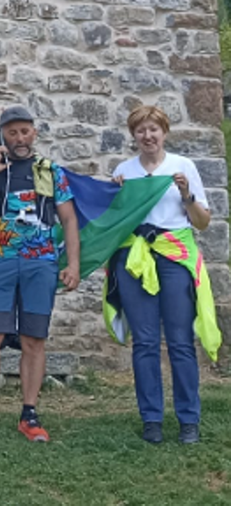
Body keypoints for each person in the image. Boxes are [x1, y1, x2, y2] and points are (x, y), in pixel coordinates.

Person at [0, 105, 80, 443]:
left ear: (34, 133)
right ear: (2, 135)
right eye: (12, 132)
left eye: (24, 131)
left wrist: (73, 264)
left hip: (41, 265)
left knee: (34, 339)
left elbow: (68, 220)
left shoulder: (51, 171)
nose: (19, 138)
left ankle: (30, 414)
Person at [108, 105, 214, 445]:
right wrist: (116, 195)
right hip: (135, 259)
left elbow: (202, 221)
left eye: (153, 129)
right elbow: (114, 220)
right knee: (145, 343)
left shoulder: (183, 167)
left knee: (181, 342)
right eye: (141, 130)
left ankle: (188, 421)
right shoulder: (124, 170)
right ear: (133, 135)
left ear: (164, 132)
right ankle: (151, 418)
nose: (147, 135)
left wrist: (186, 195)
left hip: (174, 258)